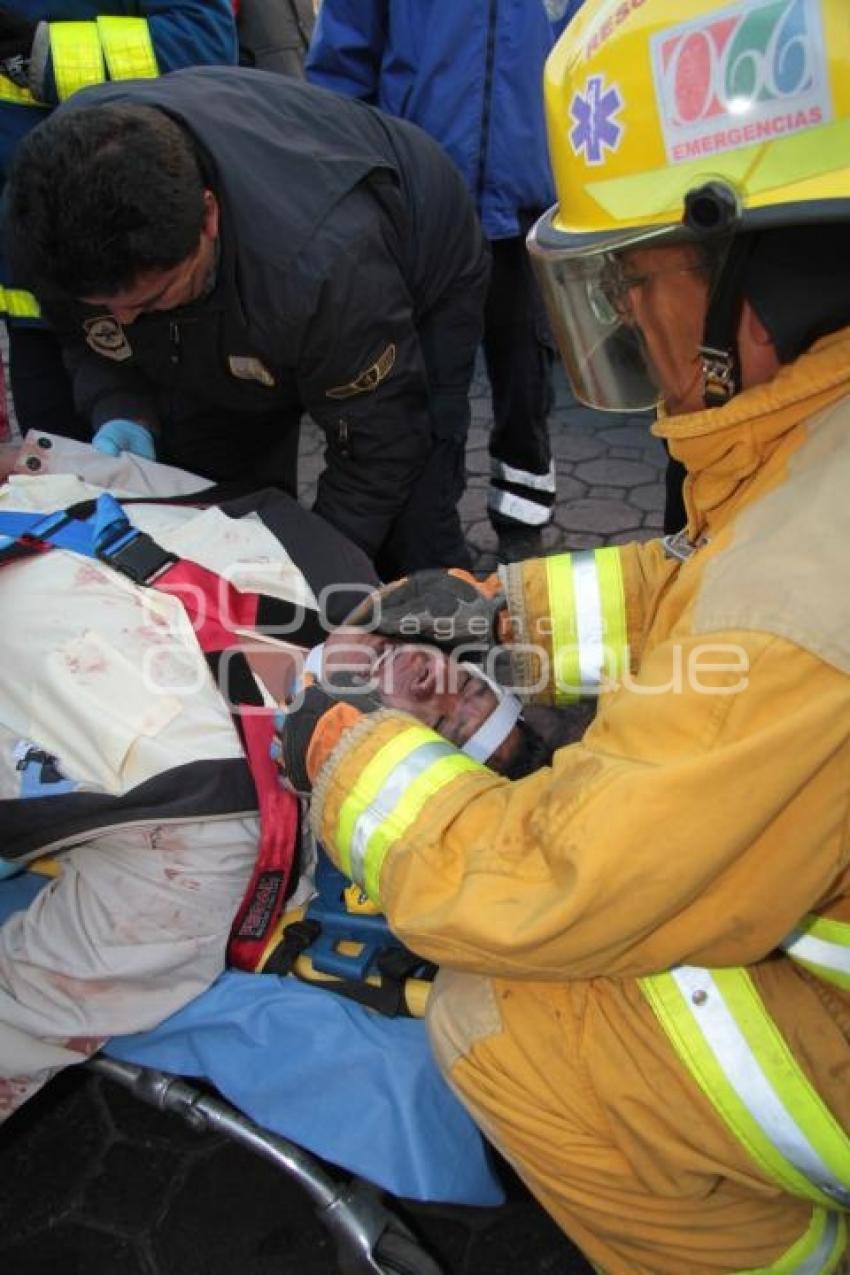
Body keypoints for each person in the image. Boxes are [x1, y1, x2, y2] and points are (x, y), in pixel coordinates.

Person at [276, 0, 850, 1270]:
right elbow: (701, 582)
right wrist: (498, 617)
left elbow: (559, 888)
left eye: (634, 280)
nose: (634, 324)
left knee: (505, 1028)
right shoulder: (817, 454)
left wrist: (343, 753)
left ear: (745, 275)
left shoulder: (809, 593)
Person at [0, 432, 551, 1121]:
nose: (437, 681)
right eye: (470, 686)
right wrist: (38, 459)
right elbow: (164, 491)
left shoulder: (214, 841)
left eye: (444, 730)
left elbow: (27, 1007)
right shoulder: (331, 566)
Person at [4, 65, 490, 578]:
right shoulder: (44, 214)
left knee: (410, 521)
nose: (122, 320)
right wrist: (121, 404)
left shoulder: (323, 268)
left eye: (150, 299)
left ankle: (452, 630)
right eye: (104, 305)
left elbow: (382, 444)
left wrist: (308, 577)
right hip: (265, 279)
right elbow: (82, 332)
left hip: (415, 254)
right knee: (217, 494)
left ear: (207, 216)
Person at [306, 0, 582, 563]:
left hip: (531, 204)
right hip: (421, 203)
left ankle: (523, 522)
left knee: (526, 376)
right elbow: (342, 67)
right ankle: (430, 533)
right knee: (426, 384)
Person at [0, 1, 238, 440]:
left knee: (212, 489)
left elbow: (202, 45)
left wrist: (44, 55)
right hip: (36, 296)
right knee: (60, 489)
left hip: (153, 278)